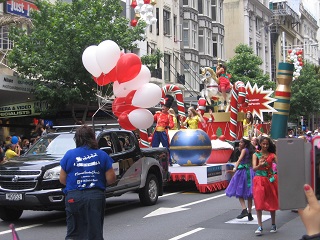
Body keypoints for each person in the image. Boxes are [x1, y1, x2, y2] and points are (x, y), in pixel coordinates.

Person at [59, 125, 116, 240]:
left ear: (77, 139)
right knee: (94, 233)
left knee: (73, 232)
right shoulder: (102, 155)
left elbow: (62, 179)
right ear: (92, 138)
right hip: (95, 196)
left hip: (73, 196)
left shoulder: (69, 154)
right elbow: (111, 179)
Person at [252, 136, 278, 236]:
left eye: (267, 144)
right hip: (259, 180)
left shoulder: (272, 155)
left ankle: (273, 224)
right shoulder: (256, 155)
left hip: (270, 180)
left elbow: (281, 164)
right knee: (258, 202)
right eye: (263, 144)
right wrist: (260, 165)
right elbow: (254, 168)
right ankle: (259, 226)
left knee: (271, 201)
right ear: (260, 144)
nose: (265, 146)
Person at [225, 137, 255, 221]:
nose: (239, 144)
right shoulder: (251, 151)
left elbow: (239, 160)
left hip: (242, 172)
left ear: (245, 144)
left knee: (239, 191)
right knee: (249, 194)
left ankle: (244, 209)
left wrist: (234, 169)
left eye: (241, 142)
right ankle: (249, 213)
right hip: (250, 171)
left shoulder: (244, 150)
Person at [151, 95, 175, 164]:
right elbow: (152, 119)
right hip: (156, 132)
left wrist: (168, 126)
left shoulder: (169, 116)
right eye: (163, 106)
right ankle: (154, 160)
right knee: (154, 147)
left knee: (166, 147)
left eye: (165, 106)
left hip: (163, 132)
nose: (163, 107)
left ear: (168, 108)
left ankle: (169, 161)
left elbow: (172, 124)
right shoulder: (158, 114)